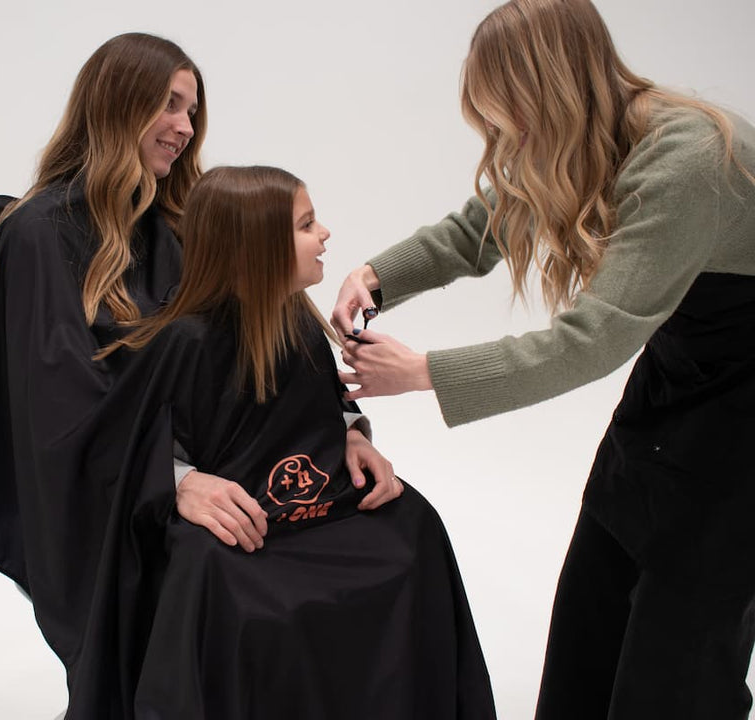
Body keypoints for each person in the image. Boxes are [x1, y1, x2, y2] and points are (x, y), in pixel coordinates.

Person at [0, 32, 397, 714]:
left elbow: (271, 334)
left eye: (193, 111)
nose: (186, 128)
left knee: (386, 546)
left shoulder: (179, 224)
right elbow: (59, 408)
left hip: (226, 467)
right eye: (170, 106)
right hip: (119, 497)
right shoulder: (40, 234)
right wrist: (169, 481)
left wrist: (344, 426)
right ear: (117, 105)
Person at [331, 1, 755, 718]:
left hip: (744, 418)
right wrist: (375, 276)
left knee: (677, 667)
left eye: (512, 119)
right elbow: (481, 227)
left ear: (554, 92)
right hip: (678, 380)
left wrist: (425, 372)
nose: (508, 141)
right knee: (589, 620)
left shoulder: (688, 162)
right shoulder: (587, 137)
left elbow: (594, 339)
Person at [96, 166, 496, 719]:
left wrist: (355, 437)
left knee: (414, 527)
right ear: (257, 246)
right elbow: (133, 443)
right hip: (249, 525)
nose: (325, 233)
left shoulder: (300, 324)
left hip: (320, 502)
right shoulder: (184, 341)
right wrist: (181, 481)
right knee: (221, 579)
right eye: (307, 224)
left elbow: (326, 404)